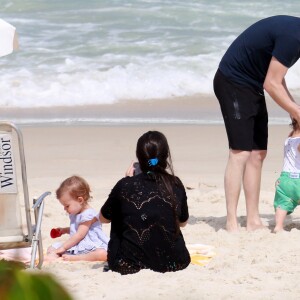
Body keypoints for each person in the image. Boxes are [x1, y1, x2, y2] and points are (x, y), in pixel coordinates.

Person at [213, 15, 300, 232]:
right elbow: (272, 84)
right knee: (240, 151)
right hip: (232, 81)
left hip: (253, 85)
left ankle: (253, 220)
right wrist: (297, 111)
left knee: (257, 153)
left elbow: (276, 76)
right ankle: (231, 221)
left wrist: (294, 109)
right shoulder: (294, 36)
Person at [100, 131, 190, 275]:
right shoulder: (175, 183)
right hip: (176, 261)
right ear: (166, 156)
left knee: (119, 209)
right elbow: (182, 223)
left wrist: (127, 182)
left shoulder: (124, 185)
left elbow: (103, 218)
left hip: (128, 264)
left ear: (139, 159)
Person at [47, 175, 109, 261]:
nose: (65, 209)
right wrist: (64, 230)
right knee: (52, 247)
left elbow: (79, 235)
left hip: (89, 243)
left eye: (67, 206)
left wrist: (63, 248)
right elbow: (76, 229)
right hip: (79, 243)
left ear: (80, 200)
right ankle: (55, 256)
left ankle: (77, 258)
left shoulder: (88, 215)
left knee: (102, 254)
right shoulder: (76, 212)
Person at [273, 119, 300, 232]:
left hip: (285, 179)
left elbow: (292, 109)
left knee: (282, 203)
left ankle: (278, 226)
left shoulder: (289, 137)